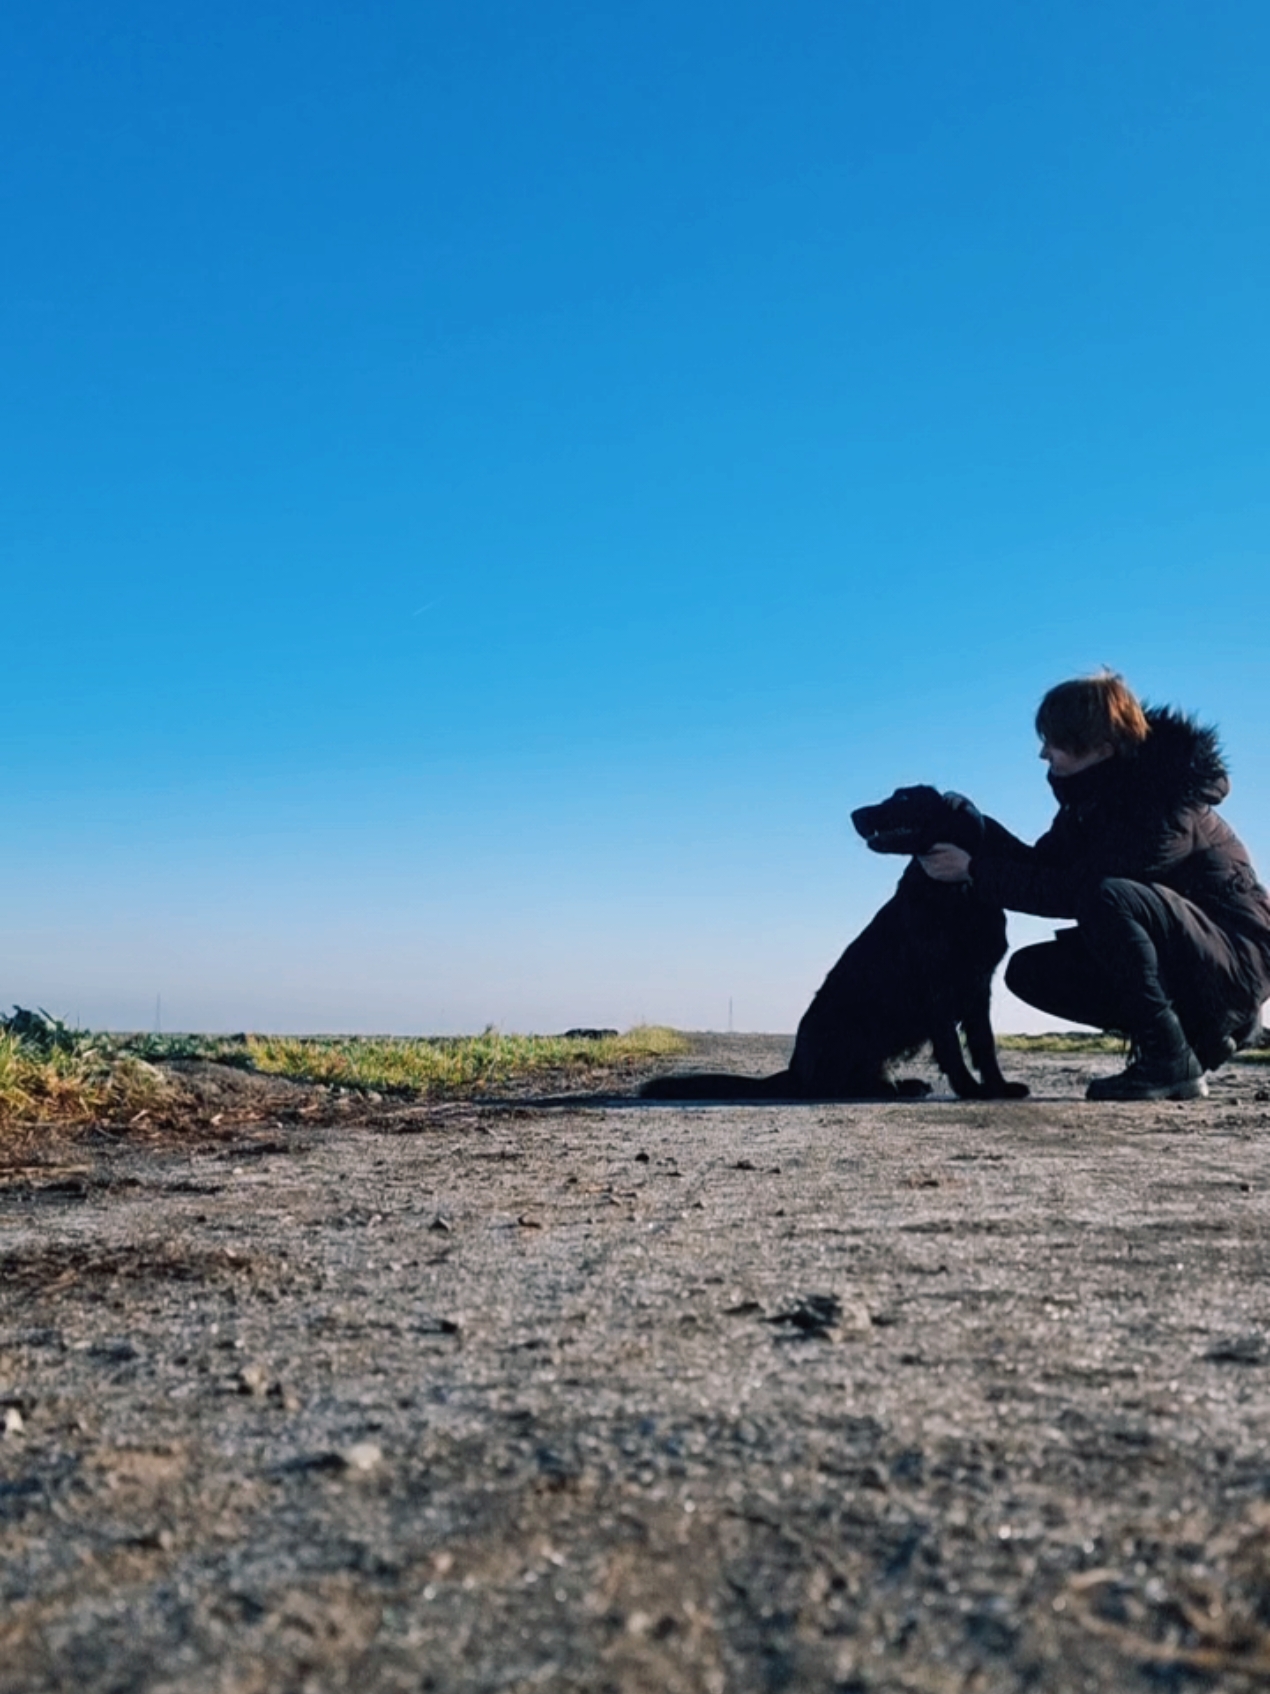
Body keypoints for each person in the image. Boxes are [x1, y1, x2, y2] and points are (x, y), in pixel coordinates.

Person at [919, 673, 1270, 1101]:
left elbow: (1077, 891)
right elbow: (1043, 865)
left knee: (1106, 896)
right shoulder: (1093, 801)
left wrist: (974, 870)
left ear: (1102, 749)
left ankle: (1171, 1059)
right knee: (1031, 972)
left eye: (1055, 742)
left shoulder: (1163, 803)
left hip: (1235, 959)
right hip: (1192, 953)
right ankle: (1193, 1040)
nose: (1043, 752)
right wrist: (980, 827)